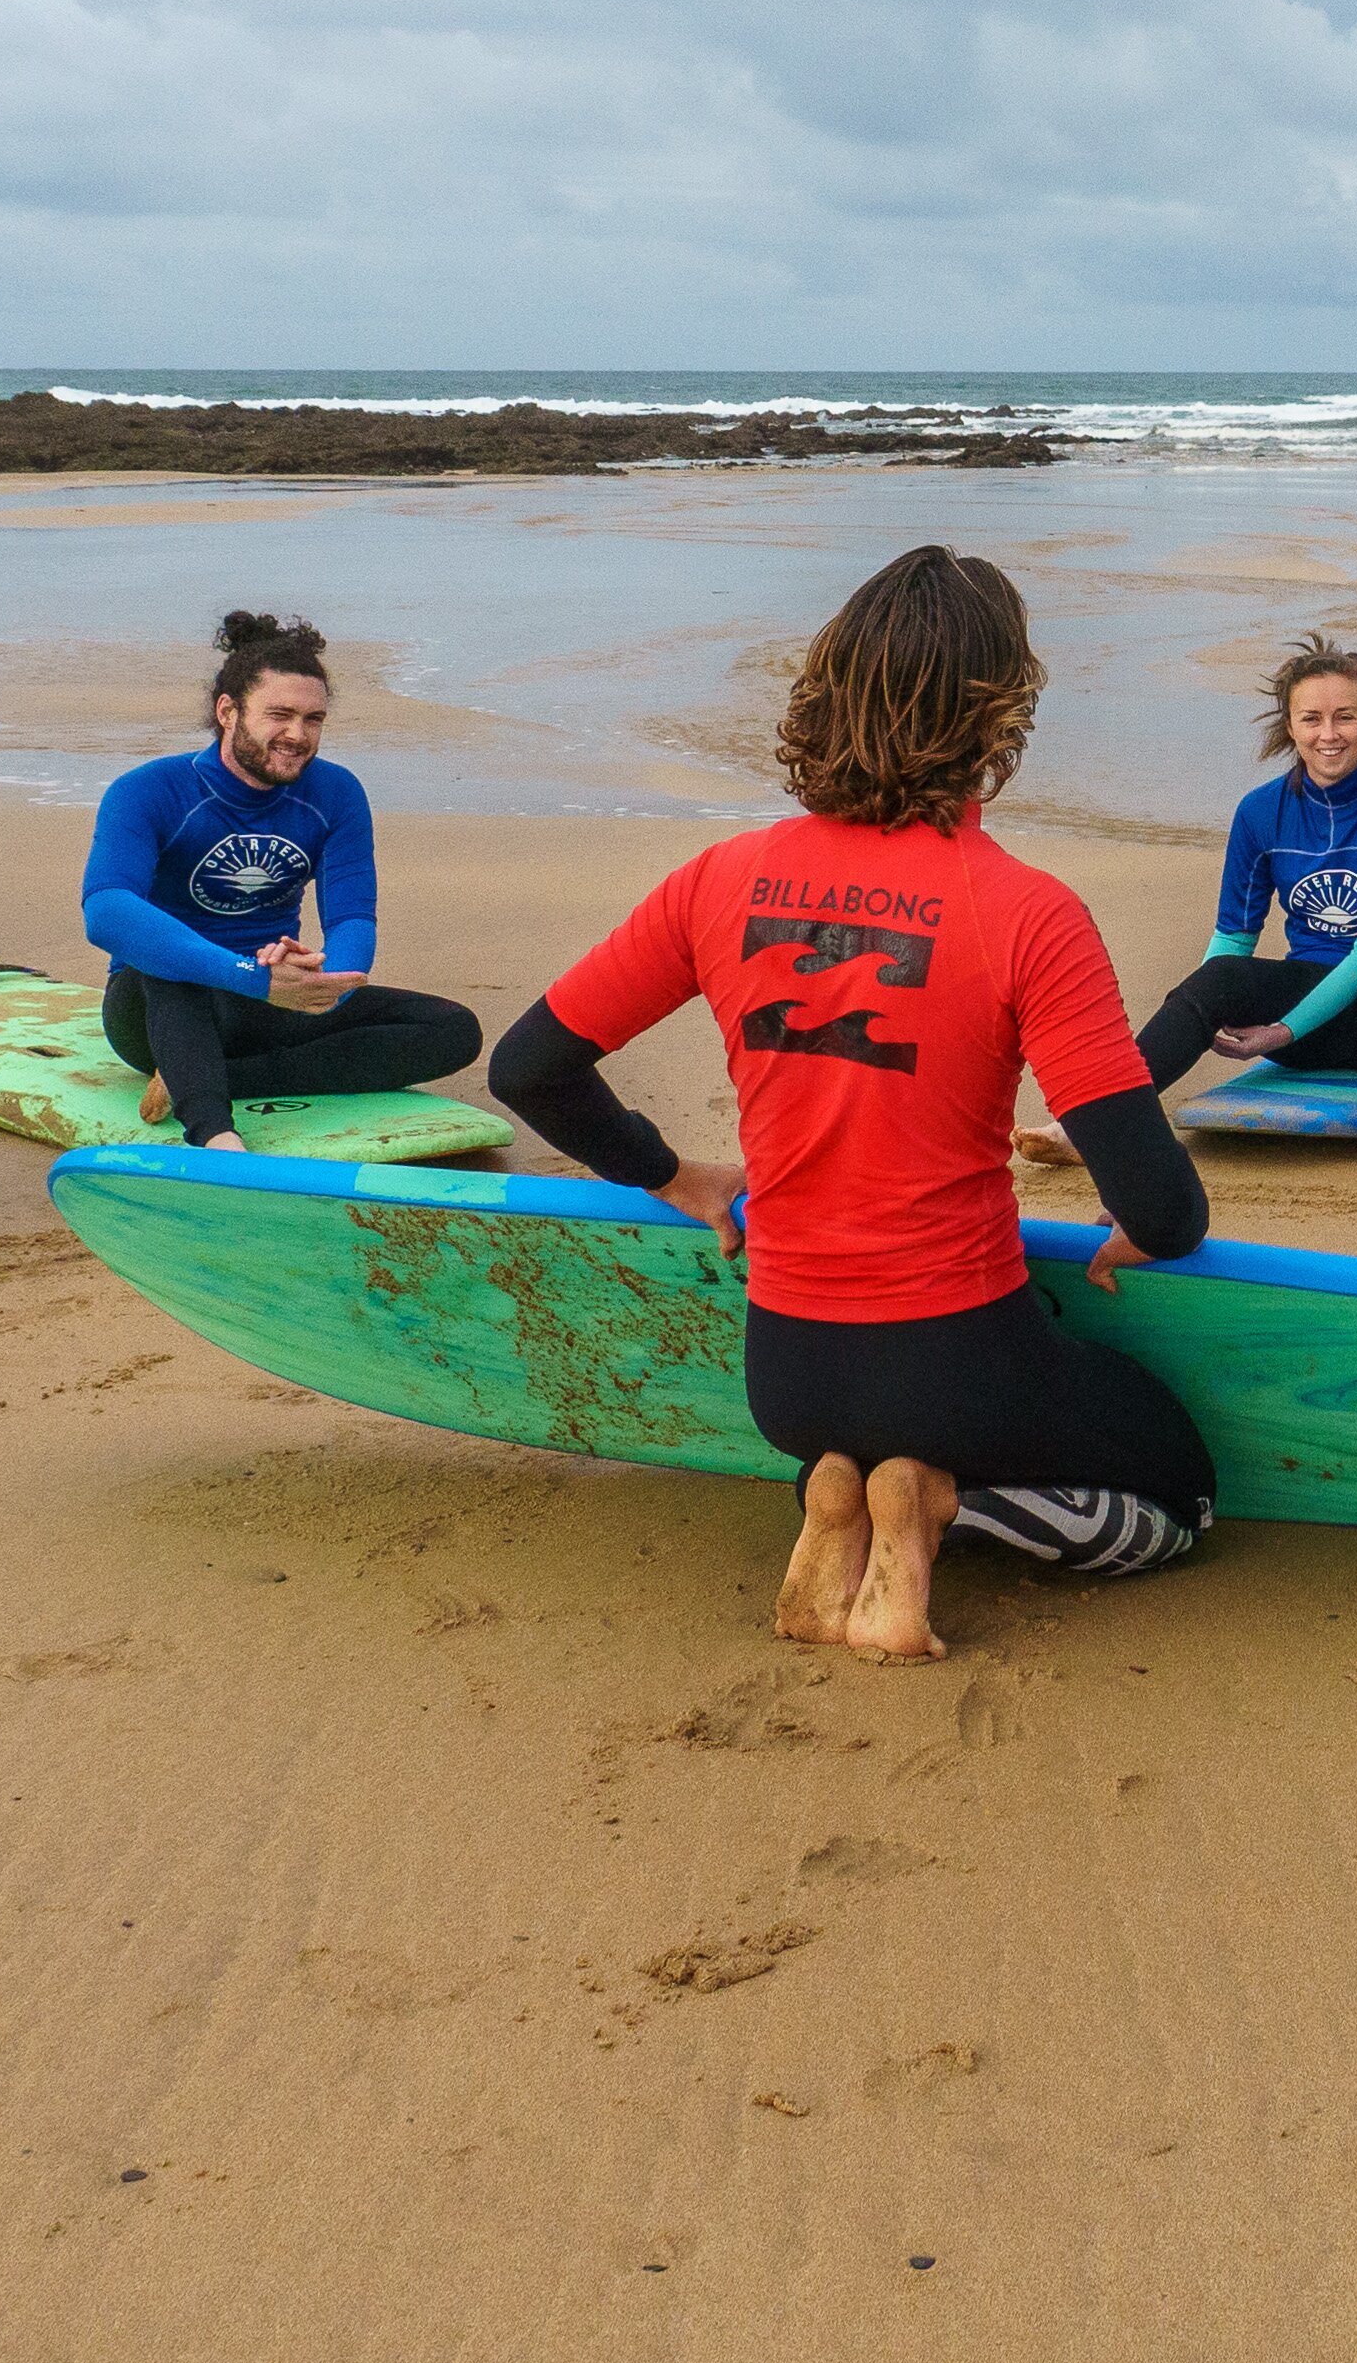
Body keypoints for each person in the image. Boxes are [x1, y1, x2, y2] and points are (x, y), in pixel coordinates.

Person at [482, 546, 1214, 1663]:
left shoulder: (717, 881)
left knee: (888, 1426)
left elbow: (527, 1067)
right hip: (959, 1357)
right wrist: (1136, 1230)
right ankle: (939, 1507)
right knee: (1182, 1501)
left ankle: (846, 1492)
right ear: (1000, 712)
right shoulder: (1027, 914)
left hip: (790, 1373)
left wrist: (674, 1176)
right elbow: (1165, 1212)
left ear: (821, 694)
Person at [80, 608, 486, 1149]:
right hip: (161, 1006)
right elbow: (106, 910)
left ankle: (215, 1080)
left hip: (274, 999)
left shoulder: (335, 794)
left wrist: (325, 984)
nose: (298, 735)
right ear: (228, 712)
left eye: (313, 719)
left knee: (451, 1029)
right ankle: (215, 1133)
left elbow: (351, 917)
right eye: (280, 715)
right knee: (167, 970)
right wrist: (250, 974)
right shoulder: (150, 790)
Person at [1125, 632, 1357, 1188]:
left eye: (1345, 717)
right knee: (1222, 974)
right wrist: (1217, 1005)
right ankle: (1097, 1121)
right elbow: (1234, 938)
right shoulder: (1259, 813)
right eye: (1311, 719)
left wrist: (1280, 1033)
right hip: (1315, 1026)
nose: (1329, 735)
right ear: (1290, 726)